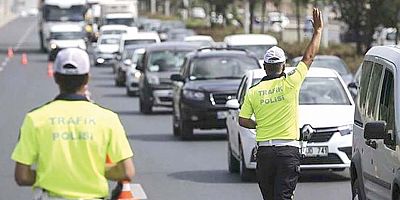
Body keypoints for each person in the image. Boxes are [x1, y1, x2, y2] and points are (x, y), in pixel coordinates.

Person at [11, 48, 135, 200]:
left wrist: (51, 174)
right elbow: (126, 172)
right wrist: (91, 170)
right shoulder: (108, 119)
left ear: (56, 77)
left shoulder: (35, 119)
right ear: (87, 78)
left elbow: (22, 176)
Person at [238, 8, 323, 200]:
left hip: (265, 153)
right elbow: (308, 57)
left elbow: (243, 120)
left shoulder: (253, 91)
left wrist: (258, 124)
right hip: (288, 152)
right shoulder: (291, 83)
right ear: (283, 65)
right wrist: (317, 32)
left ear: (264, 67)